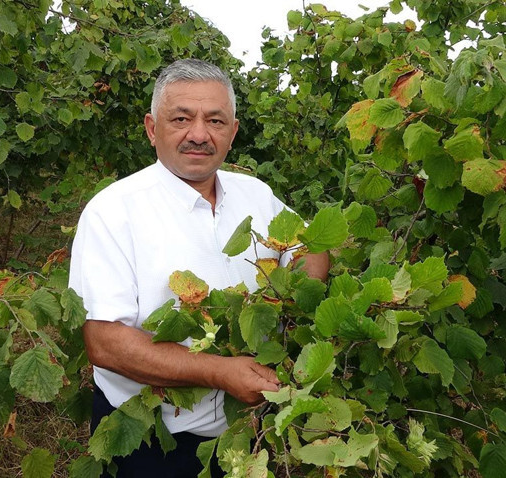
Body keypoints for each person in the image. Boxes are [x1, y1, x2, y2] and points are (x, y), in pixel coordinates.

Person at [68, 58, 329, 477]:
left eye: (215, 120)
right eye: (182, 118)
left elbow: (313, 249)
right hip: (153, 445)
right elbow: (105, 342)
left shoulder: (255, 195)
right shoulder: (113, 212)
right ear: (153, 129)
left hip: (247, 439)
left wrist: (287, 305)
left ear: (233, 132)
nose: (199, 134)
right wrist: (221, 372)